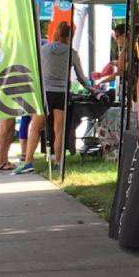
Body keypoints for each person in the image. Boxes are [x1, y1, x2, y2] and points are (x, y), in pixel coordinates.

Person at [16, 22, 96, 175]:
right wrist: (92, 89)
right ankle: (58, 162)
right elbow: (81, 77)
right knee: (59, 130)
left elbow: (35, 71)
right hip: (61, 93)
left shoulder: (43, 50)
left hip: (45, 92)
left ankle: (28, 162)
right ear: (69, 36)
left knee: (35, 128)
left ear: (56, 33)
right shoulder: (72, 53)